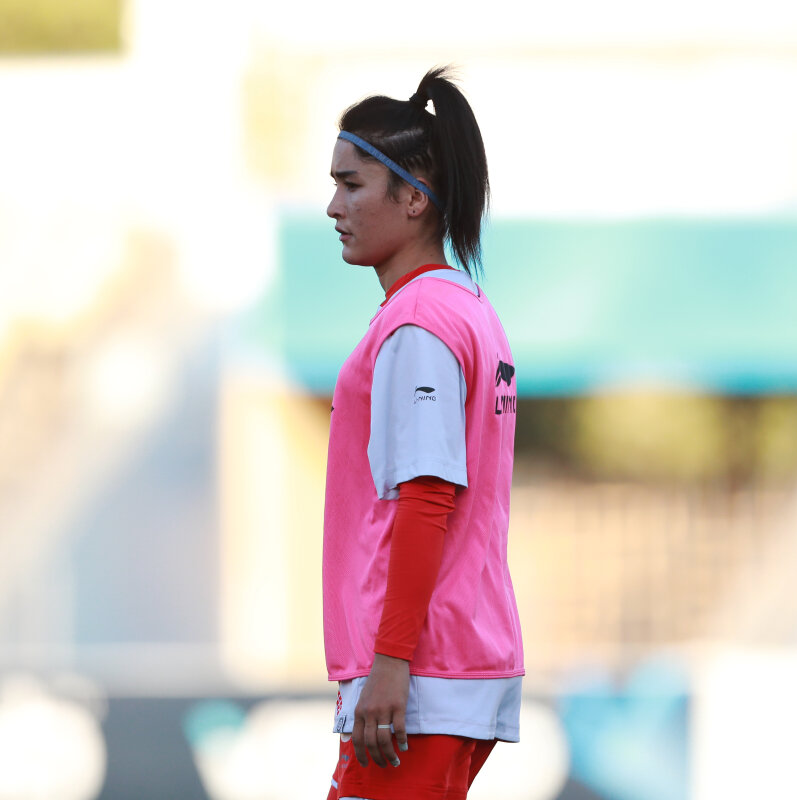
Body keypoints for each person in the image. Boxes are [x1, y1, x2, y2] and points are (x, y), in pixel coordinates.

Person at [322, 66, 522, 800]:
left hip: (421, 673)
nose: (333, 206)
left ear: (414, 197)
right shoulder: (467, 308)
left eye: (352, 185)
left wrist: (392, 662)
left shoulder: (419, 324)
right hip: (448, 661)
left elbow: (429, 497)